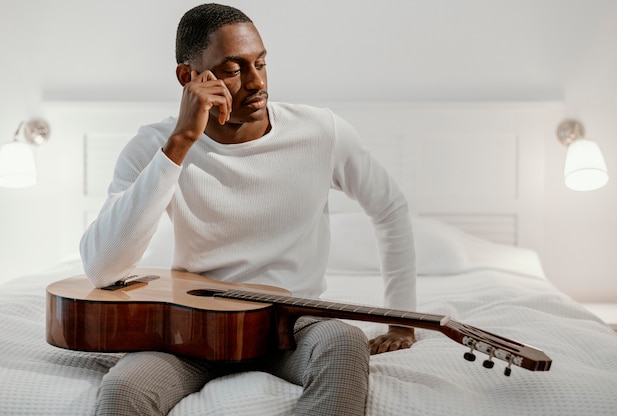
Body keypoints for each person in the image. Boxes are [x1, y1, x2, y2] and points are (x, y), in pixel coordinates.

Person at [80, 3, 417, 415]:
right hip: (195, 328)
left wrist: (403, 320)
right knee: (123, 389)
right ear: (189, 78)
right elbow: (102, 268)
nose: (257, 82)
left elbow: (390, 208)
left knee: (345, 342)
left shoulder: (320, 131)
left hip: (294, 326)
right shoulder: (155, 147)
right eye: (234, 69)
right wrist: (181, 142)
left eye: (260, 62)